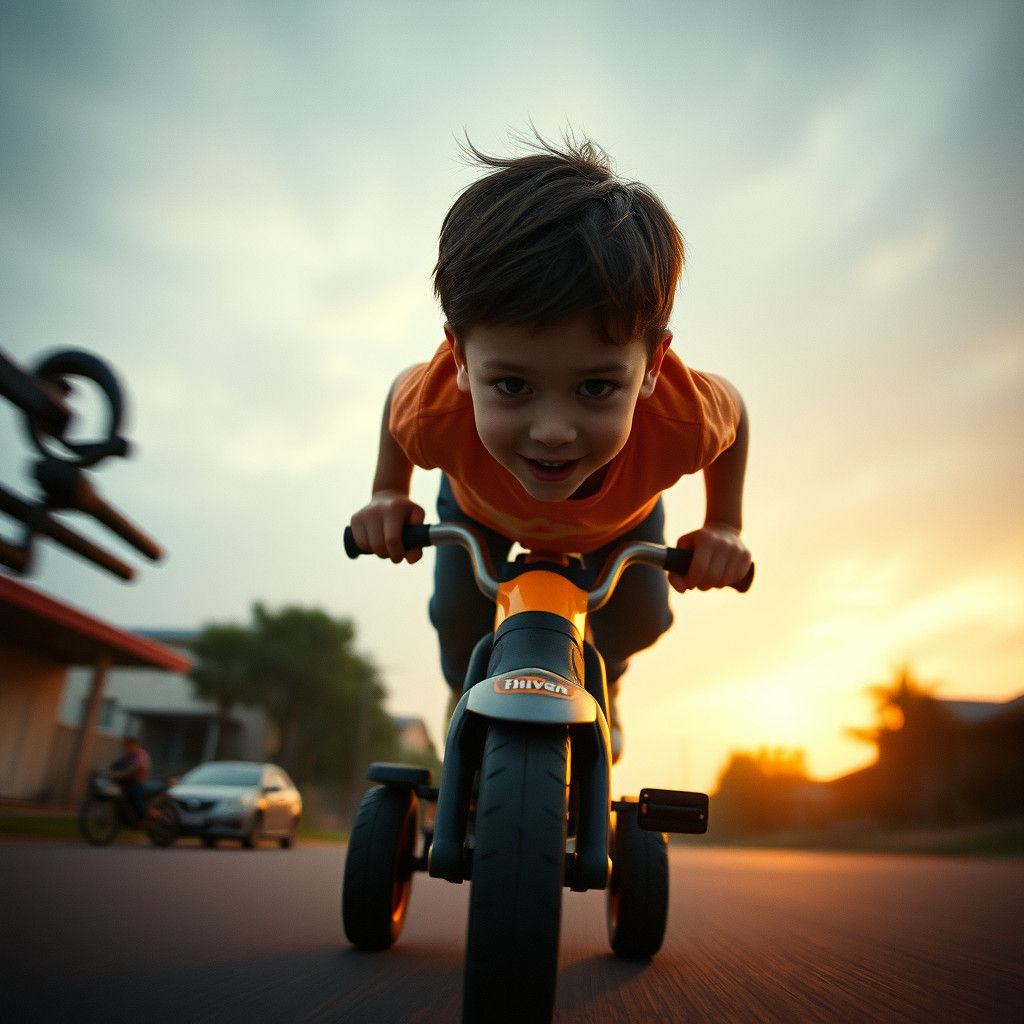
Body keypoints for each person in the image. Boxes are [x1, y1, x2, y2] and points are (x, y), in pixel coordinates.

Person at [349, 131, 752, 761]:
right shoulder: (434, 411)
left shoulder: (681, 419)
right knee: (458, 621)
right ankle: (467, 707)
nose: (553, 431)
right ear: (459, 357)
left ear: (650, 367)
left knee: (644, 615)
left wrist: (723, 526)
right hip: (479, 513)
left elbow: (735, 420)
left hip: (619, 524)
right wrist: (386, 495)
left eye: (596, 386)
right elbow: (400, 396)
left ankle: (605, 683)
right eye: (512, 384)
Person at [106, 735, 152, 819]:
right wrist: (108, 769)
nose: (128, 747)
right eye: (127, 745)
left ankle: (143, 818)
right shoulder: (129, 755)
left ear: (136, 745)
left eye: (130, 745)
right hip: (127, 781)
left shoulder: (140, 755)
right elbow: (118, 763)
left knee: (135, 796)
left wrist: (123, 773)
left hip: (137, 783)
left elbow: (137, 766)